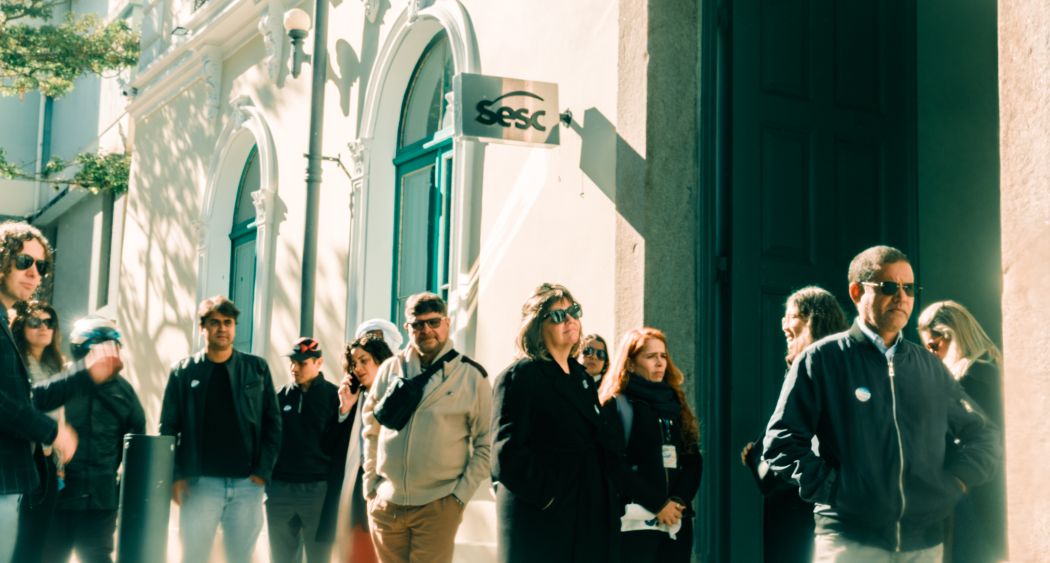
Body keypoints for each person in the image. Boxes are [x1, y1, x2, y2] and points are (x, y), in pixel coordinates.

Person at [763, 245, 1002, 561]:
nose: (901, 297)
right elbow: (780, 443)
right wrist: (837, 491)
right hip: (850, 541)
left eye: (909, 288)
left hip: (924, 544)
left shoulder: (929, 367)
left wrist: (955, 482)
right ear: (856, 291)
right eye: (888, 287)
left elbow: (983, 435)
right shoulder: (820, 360)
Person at [0, 221, 122, 563]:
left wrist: (84, 375)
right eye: (23, 261)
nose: (34, 273)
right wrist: (52, 431)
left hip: (15, 485)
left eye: (41, 266)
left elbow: (25, 399)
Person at [491, 283, 621, 563]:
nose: (570, 319)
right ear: (536, 326)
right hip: (543, 522)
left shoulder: (582, 378)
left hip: (587, 519)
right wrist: (550, 497)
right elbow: (506, 454)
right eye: (559, 315)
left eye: (573, 311)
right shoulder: (521, 376)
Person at [361, 293, 491, 563]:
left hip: (438, 504)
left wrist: (459, 497)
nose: (426, 330)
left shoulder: (471, 376)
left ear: (447, 323)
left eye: (433, 322)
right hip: (387, 503)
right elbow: (371, 427)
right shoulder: (389, 369)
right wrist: (371, 486)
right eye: (417, 324)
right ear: (407, 328)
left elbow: (485, 443)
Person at [159, 295, 282, 563]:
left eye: (228, 322)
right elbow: (167, 428)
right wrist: (176, 475)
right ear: (202, 327)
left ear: (235, 327)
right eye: (214, 322)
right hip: (200, 484)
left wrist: (263, 471)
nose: (222, 328)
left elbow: (273, 423)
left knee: (240, 558)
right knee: (194, 557)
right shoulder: (183, 372)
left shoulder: (256, 368)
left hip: (248, 484)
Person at [739, 286, 848, 563]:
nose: (784, 324)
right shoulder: (798, 368)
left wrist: (769, 458)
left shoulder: (833, 369)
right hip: (790, 504)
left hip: (812, 507)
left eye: (792, 316)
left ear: (814, 321)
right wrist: (761, 452)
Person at [41, 316, 146, 563]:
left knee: (98, 557)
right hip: (58, 497)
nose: (110, 355)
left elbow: (137, 445)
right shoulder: (61, 383)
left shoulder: (124, 391)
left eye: (114, 348)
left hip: (101, 500)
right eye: (102, 349)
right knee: (49, 557)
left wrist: (119, 487)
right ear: (82, 350)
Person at [599, 327, 702, 563]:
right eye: (650, 356)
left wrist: (678, 501)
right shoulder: (617, 404)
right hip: (635, 525)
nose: (660, 362)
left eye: (663, 355)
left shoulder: (674, 402)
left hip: (675, 523)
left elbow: (693, 459)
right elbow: (613, 464)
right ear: (630, 364)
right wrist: (658, 505)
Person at [918, 301, 1006, 563]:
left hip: (976, 492)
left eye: (934, 346)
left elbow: (980, 438)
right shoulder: (989, 369)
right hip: (988, 488)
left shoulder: (971, 377)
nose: (932, 356)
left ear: (950, 335)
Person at [267, 337, 354, 563]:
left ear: (318, 362)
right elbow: (267, 440)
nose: (294, 368)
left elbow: (341, 444)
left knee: (318, 557)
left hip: (317, 491)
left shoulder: (334, 397)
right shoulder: (278, 397)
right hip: (280, 490)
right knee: (281, 557)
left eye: (302, 363)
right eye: (292, 362)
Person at [10, 300, 66, 563]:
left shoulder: (57, 367)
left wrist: (59, 464)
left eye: (49, 322)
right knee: (17, 539)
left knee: (38, 539)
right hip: (20, 460)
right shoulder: (15, 363)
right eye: (35, 322)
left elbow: (60, 417)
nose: (43, 327)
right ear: (21, 327)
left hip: (47, 463)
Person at [336, 334, 393, 563]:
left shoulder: (396, 393)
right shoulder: (354, 398)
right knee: (358, 549)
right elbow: (333, 446)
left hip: (388, 484)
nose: (357, 368)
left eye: (364, 360)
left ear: (381, 360)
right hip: (358, 485)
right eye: (354, 363)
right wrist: (345, 410)